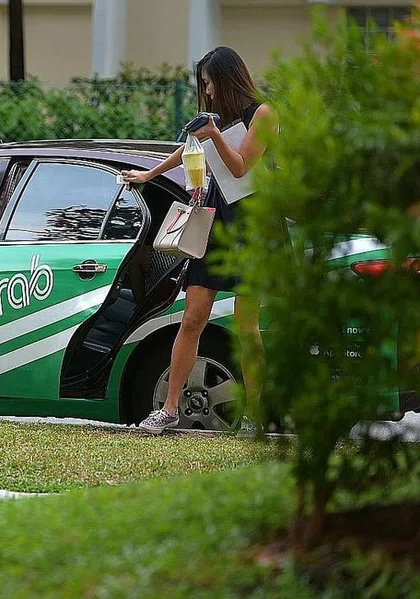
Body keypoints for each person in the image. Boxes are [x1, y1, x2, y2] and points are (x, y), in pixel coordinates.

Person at [120, 46, 278, 435]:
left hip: (254, 224)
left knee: (247, 325)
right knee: (192, 318)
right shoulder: (216, 120)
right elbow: (186, 152)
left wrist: (213, 135)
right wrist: (149, 175)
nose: (205, 92)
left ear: (226, 79)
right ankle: (169, 409)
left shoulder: (263, 114)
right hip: (216, 221)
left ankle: (257, 413)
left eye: (208, 83)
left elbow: (241, 167)